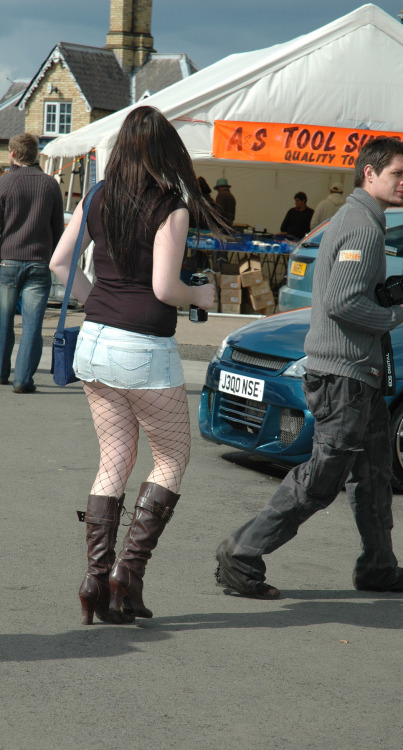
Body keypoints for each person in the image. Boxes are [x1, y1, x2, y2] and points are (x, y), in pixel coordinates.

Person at [50, 105, 228, 625]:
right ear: (167, 150)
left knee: (113, 461)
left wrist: (94, 300)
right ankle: (126, 574)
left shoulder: (98, 195)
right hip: (144, 347)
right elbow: (164, 289)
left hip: (96, 342)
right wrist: (202, 292)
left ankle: (93, 580)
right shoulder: (170, 206)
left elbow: (61, 262)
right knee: (171, 458)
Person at [215, 136, 403, 600]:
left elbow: (347, 291)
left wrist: (382, 296)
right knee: (321, 478)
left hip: (359, 374)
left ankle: (378, 566)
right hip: (344, 376)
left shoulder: (360, 219)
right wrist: (392, 315)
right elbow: (341, 301)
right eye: (399, 174)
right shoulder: (360, 224)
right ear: (370, 174)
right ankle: (241, 554)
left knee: (376, 475)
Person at [0, 133, 64, 394]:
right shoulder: (50, 185)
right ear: (36, 154)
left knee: (4, 320)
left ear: (12, 154)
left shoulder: (2, 184)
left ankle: (0, 372)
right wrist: (58, 263)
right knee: (32, 325)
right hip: (39, 262)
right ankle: (23, 379)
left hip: (7, 262)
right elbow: (58, 230)